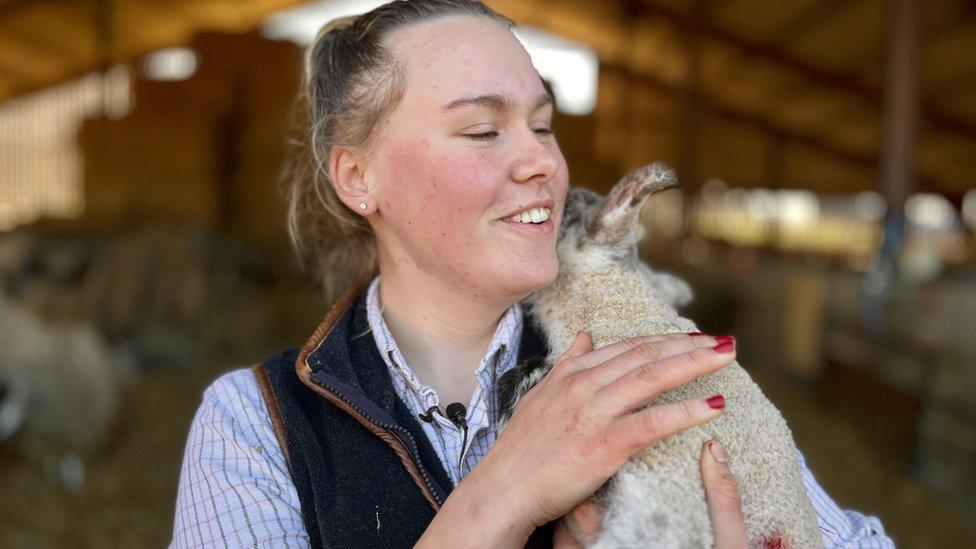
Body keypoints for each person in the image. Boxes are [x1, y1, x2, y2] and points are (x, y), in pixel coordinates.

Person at [171, 1, 894, 547]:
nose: (543, 162)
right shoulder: (255, 425)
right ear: (360, 178)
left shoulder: (648, 366)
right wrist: (502, 492)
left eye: (543, 125)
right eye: (484, 130)